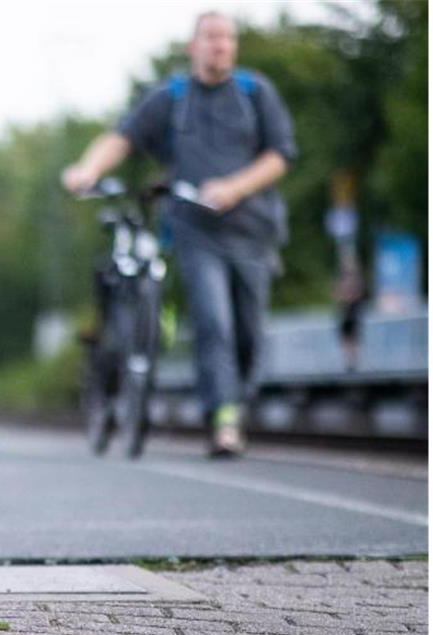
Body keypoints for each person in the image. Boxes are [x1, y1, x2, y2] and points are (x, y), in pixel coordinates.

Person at [62, 10, 296, 457]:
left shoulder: (255, 93)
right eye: (211, 37)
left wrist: (234, 188)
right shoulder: (172, 97)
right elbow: (122, 137)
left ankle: (234, 406)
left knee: (249, 334)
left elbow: (280, 156)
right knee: (214, 324)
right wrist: (87, 168)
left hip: (252, 231)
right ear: (194, 46)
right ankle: (224, 419)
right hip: (194, 231)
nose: (220, 45)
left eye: (227, 38)